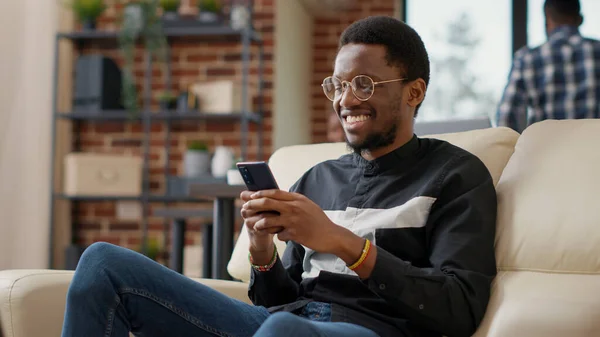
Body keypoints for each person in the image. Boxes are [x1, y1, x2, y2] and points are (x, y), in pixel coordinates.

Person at [61, 16, 497, 337]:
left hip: (376, 330)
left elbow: (457, 310)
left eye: (363, 84)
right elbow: (277, 302)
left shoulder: (455, 175)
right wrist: (261, 248)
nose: (345, 100)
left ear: (414, 91)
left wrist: (343, 243)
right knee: (102, 263)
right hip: (285, 323)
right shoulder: (316, 178)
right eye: (337, 85)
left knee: (281, 332)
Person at [496, 0, 600, 132]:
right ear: (580, 19)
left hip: (544, 150)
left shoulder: (526, 58)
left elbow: (506, 119)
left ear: (547, 19)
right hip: (595, 149)